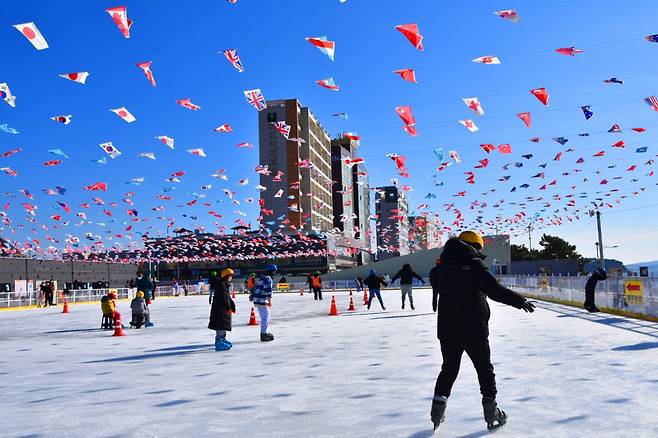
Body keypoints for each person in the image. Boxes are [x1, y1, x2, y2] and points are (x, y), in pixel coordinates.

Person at [430, 231, 536, 432]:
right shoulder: (473, 263)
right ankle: (491, 412)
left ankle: (437, 411)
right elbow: (494, 290)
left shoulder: (441, 266)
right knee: (484, 368)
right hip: (473, 327)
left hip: (447, 327)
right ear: (473, 246)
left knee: (449, 368)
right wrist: (519, 300)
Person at [208, 268, 237, 351]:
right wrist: (228, 307)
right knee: (220, 325)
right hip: (220, 309)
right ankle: (219, 341)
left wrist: (232, 306)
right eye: (230, 276)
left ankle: (222, 339)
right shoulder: (222, 285)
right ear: (227, 276)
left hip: (222, 308)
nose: (231, 278)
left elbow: (228, 297)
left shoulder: (224, 284)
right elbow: (224, 297)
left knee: (223, 325)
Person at [250, 264, 277, 342]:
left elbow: (256, 287)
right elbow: (268, 290)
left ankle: (264, 332)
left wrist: (252, 295)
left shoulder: (262, 278)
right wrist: (269, 300)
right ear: (273, 271)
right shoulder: (268, 279)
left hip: (257, 298)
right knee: (266, 316)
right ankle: (264, 334)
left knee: (264, 316)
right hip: (262, 299)